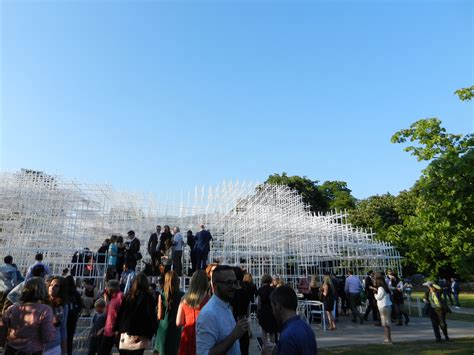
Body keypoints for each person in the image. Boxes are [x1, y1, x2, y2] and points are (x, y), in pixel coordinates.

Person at [196, 265, 248, 355]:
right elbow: (204, 353)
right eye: (228, 283)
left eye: (235, 282)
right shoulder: (209, 314)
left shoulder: (226, 305)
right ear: (215, 285)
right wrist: (234, 335)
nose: (233, 287)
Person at [2, 277, 56, 355]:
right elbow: (47, 337)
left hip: (11, 349)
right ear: (43, 291)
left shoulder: (13, 308)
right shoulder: (45, 310)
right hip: (32, 351)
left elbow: (3, 324)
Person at [262, 285, 317, 355]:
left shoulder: (287, 336)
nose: (273, 312)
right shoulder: (306, 327)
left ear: (278, 306)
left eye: (272, 308)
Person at [115, 273, 158, 355]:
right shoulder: (148, 297)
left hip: (126, 331)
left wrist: (118, 329)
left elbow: (121, 314)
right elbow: (151, 315)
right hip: (141, 332)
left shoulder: (128, 296)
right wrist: (153, 331)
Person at [176, 270, 210, 355]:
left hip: (187, 334)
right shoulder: (208, 299)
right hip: (202, 333)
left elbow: (178, 322)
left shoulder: (184, 299)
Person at [154, 270, 184, 355]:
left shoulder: (162, 295)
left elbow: (159, 316)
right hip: (176, 329)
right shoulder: (182, 295)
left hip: (163, 329)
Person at [45, 276, 69, 355]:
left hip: (55, 346)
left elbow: (63, 328)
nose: (52, 287)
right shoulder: (42, 304)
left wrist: (64, 351)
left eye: (56, 286)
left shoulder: (64, 307)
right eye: (51, 285)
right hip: (41, 345)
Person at [100, 279, 123, 355]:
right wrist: (106, 300)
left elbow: (123, 313)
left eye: (107, 289)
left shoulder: (120, 297)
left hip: (115, 331)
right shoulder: (112, 298)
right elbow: (107, 313)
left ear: (111, 289)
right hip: (108, 330)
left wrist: (119, 329)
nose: (106, 290)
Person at [370, 273, 392, 344]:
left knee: (386, 324)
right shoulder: (384, 287)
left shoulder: (381, 288)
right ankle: (387, 339)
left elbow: (379, 297)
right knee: (386, 324)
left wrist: (375, 294)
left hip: (384, 306)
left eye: (375, 280)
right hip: (386, 306)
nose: (374, 282)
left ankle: (388, 339)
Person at [257, 274, 278, 344]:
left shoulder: (260, 290)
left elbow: (259, 303)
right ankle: (273, 347)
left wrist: (258, 311)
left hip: (263, 311)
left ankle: (265, 347)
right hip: (271, 310)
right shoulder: (274, 289)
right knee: (272, 331)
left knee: (264, 330)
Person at [65, 275, 82, 355]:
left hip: (65, 318)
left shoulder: (64, 292)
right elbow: (80, 305)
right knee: (70, 339)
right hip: (73, 319)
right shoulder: (76, 293)